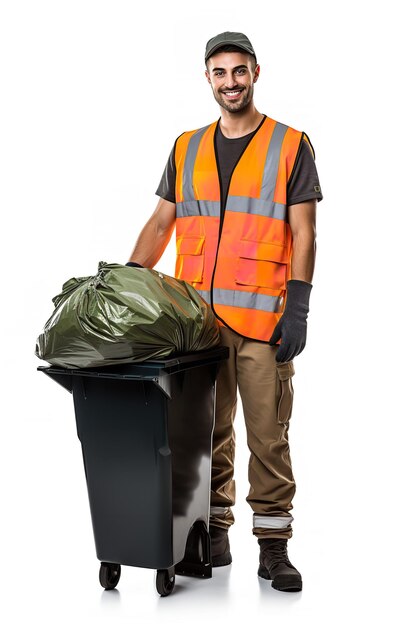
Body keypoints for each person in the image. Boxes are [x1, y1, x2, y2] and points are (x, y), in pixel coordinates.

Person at [127, 31, 323, 592]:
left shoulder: (290, 144)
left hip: (263, 321)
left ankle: (274, 546)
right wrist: (127, 280)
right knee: (203, 433)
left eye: (240, 71)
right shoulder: (186, 147)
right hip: (196, 324)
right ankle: (212, 532)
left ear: (256, 73)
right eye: (220, 73)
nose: (230, 82)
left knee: (267, 435)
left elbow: (303, 232)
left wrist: (300, 306)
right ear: (208, 79)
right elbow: (162, 223)